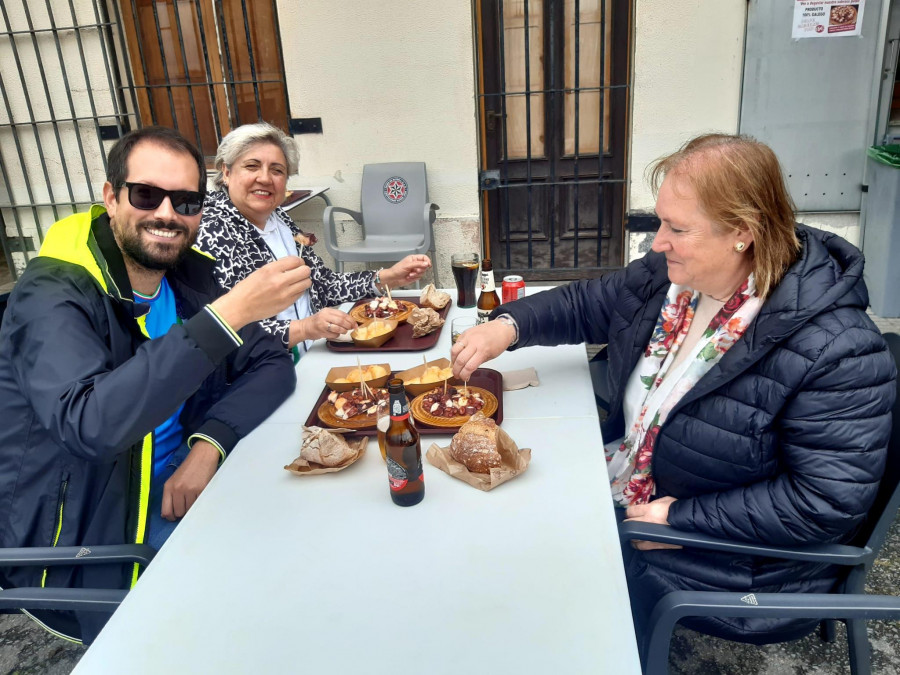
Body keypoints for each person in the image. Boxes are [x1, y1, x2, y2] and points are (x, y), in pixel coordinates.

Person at [451, 133, 896, 644]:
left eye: (676, 228)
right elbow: (588, 303)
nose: (656, 241)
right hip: (642, 489)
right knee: (495, 526)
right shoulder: (675, 280)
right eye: (660, 221)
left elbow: (824, 501)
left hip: (727, 557)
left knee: (531, 584)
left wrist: (684, 517)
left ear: (742, 234)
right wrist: (506, 327)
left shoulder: (836, 349)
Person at [0, 126, 311, 644]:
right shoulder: (53, 295)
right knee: (262, 613)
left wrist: (209, 444)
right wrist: (226, 315)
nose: (167, 214)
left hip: (192, 482)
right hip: (96, 535)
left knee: (311, 537)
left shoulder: (187, 276)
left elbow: (272, 362)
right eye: (147, 194)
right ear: (111, 197)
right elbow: (92, 425)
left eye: (186, 201)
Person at [195, 122, 432, 355]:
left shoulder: (279, 219)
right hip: (263, 375)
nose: (265, 178)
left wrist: (386, 277)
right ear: (226, 172)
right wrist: (305, 328)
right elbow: (221, 329)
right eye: (252, 166)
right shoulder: (212, 231)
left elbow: (323, 285)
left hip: (314, 354)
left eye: (277, 170)